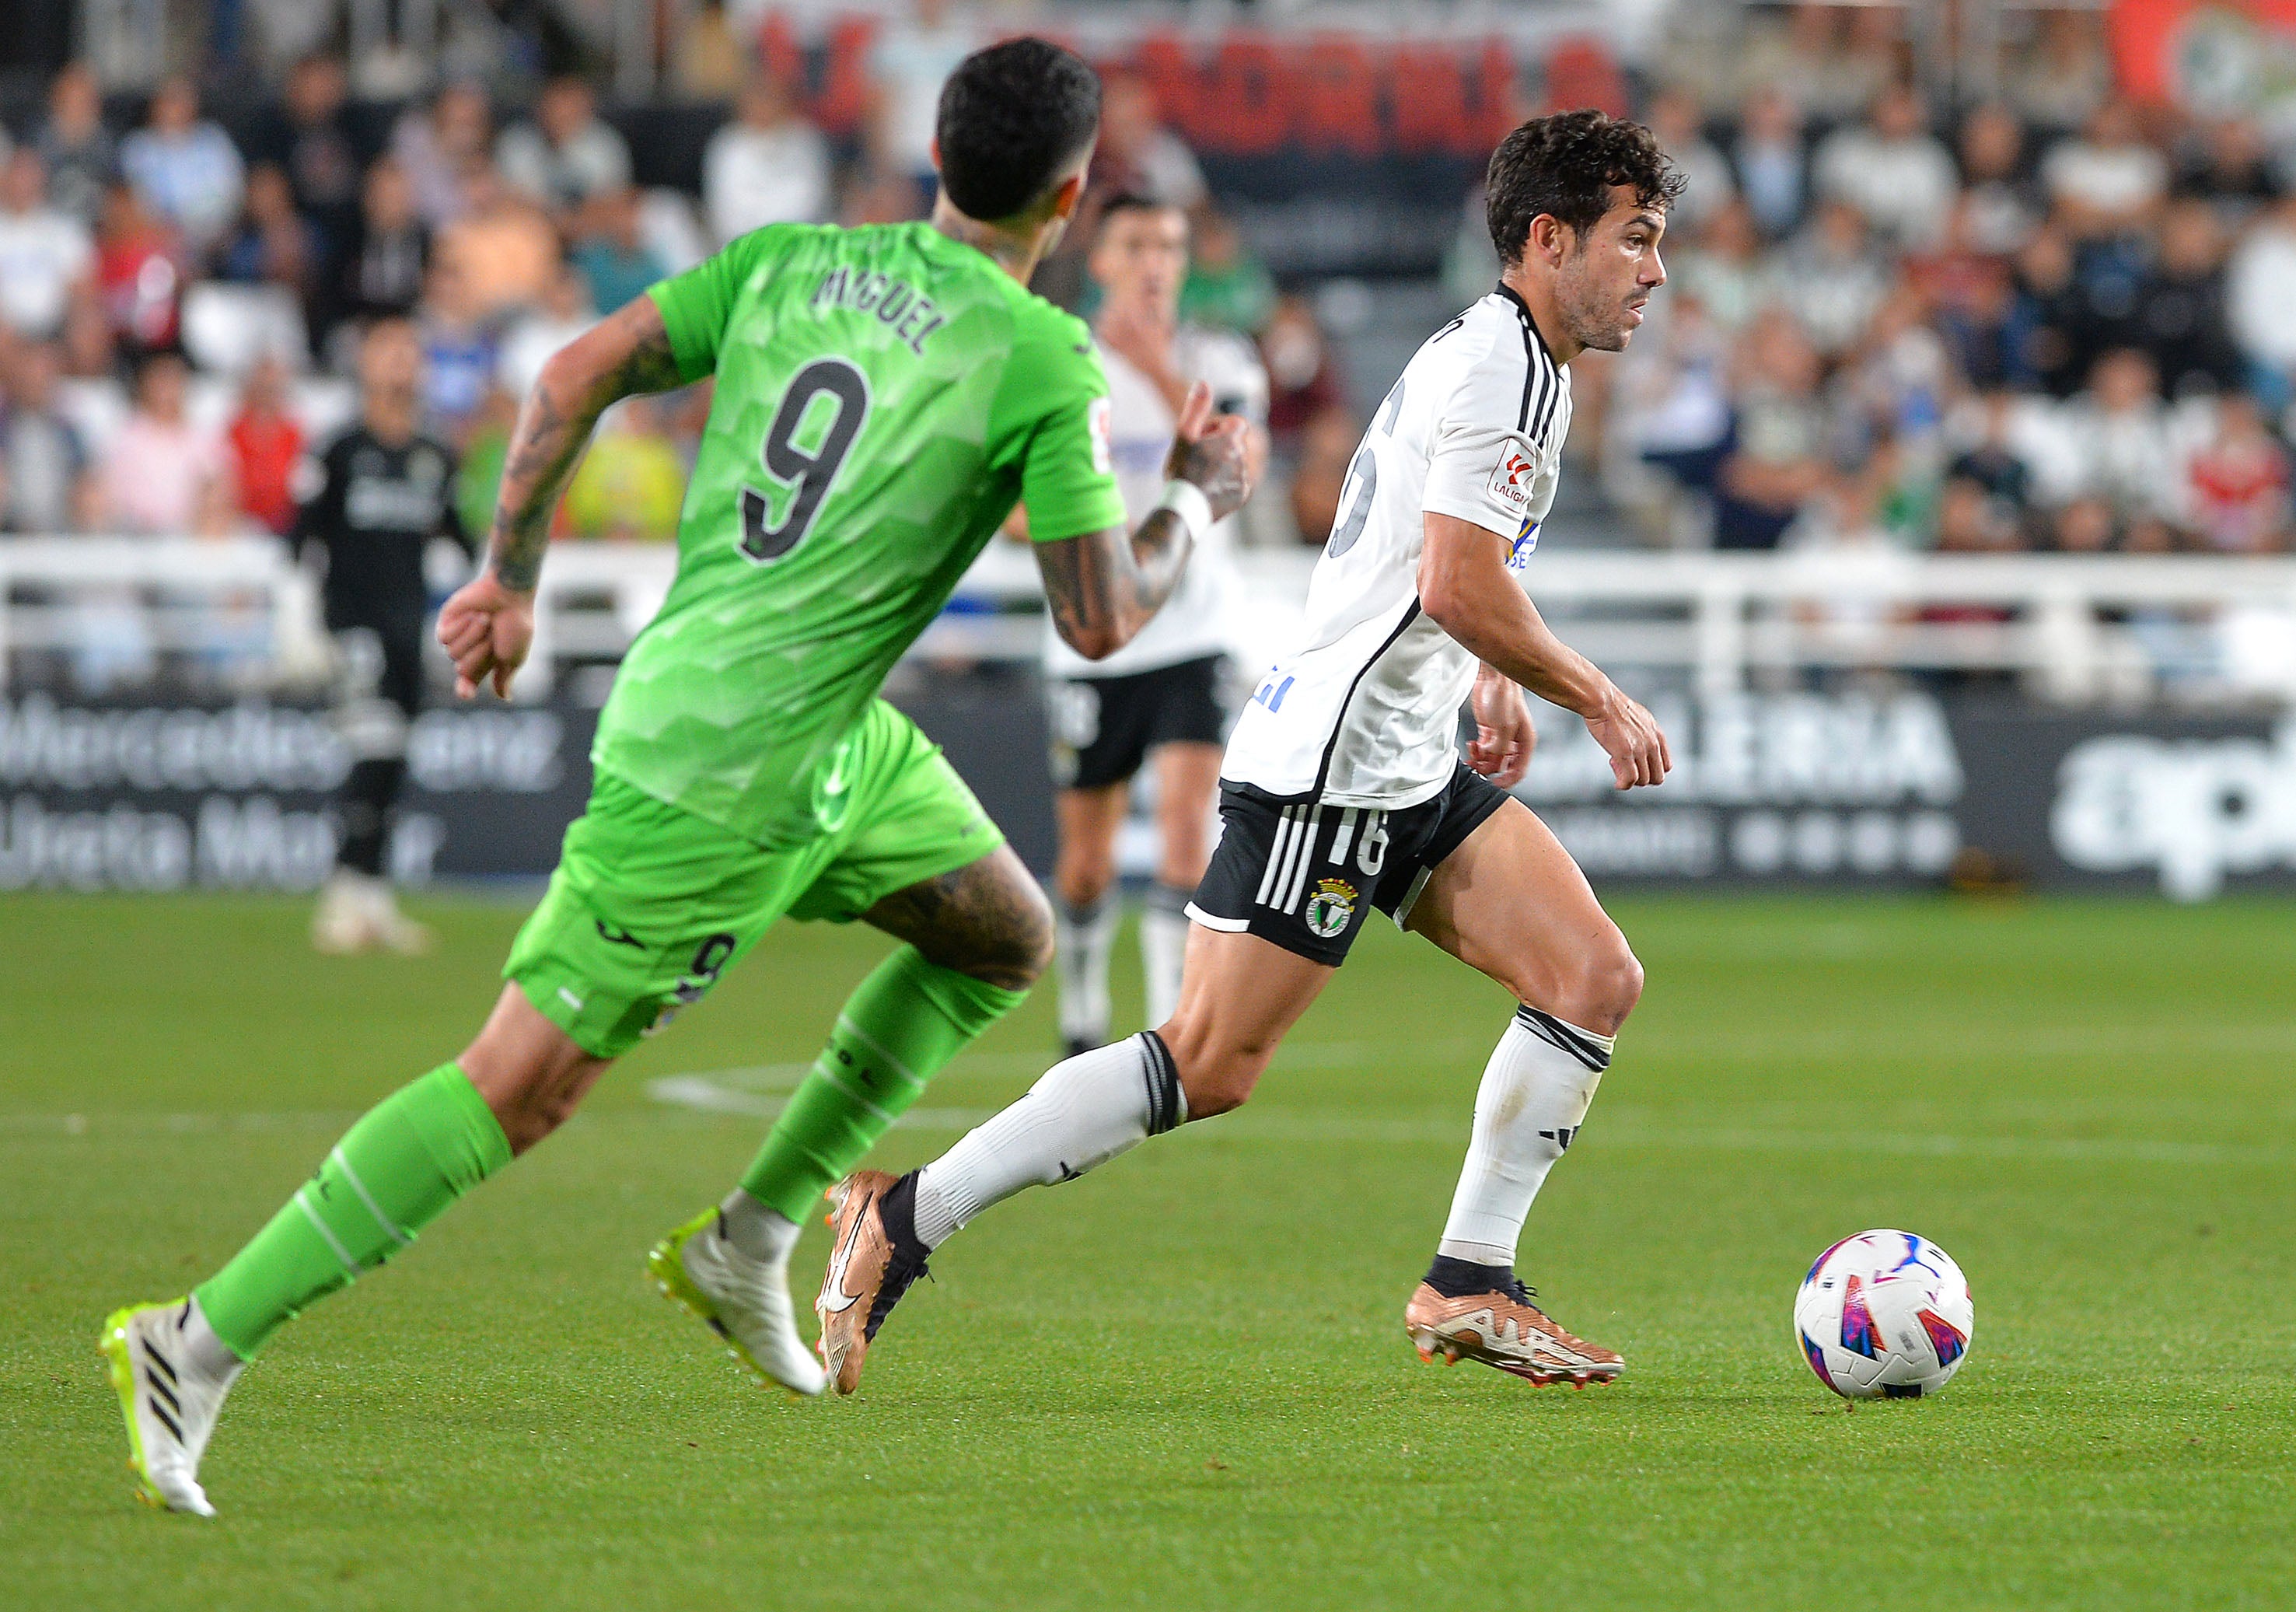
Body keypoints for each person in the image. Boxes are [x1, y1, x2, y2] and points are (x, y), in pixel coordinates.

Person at [98, 37, 1254, 1516]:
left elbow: (573, 372)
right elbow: (1098, 612)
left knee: (1003, 936)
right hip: (716, 769)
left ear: (934, 160)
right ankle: (195, 1338)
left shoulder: (786, 262)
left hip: (824, 733)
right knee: (515, 1087)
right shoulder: (1038, 355)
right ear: (1073, 196)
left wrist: (513, 575)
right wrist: (1191, 499)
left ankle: (748, 1236)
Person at [810, 109, 1678, 1397]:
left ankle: (1469, 1278)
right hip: (1331, 762)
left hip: (1394, 754)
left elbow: (1441, 568)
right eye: (1635, 239)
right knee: (1207, 1063)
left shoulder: (1506, 355)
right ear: (1549, 241)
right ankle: (902, 1219)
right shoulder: (1506, 367)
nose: (1653, 270)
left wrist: (1492, 677)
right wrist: (1591, 692)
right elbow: (1449, 580)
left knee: (1589, 975)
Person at [1034, 194, 1269, 1058]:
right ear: (1098, 261)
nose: (1154, 261)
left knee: (1184, 830)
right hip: (1092, 637)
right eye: (1134, 243)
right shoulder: (1063, 366)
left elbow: (1241, 470)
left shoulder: (1219, 359)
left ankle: (1166, 1030)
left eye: (1168, 244)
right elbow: (1015, 510)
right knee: (1086, 862)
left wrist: (1158, 372)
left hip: (1197, 630)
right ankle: (1082, 1007)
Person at [294, 318, 474, 953]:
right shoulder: (339, 449)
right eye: (387, 350)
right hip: (353, 621)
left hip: (408, 627)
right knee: (371, 752)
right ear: (365, 364)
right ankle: (342, 894)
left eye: (409, 352)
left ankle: (371, 897)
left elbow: (459, 538)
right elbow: (301, 537)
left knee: (394, 761)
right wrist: (305, 621)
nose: (400, 363)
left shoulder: (433, 454)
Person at [702, 75, 833, 245]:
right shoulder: (727, 147)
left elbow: (810, 202)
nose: (764, 107)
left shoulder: (807, 142)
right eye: (758, 99)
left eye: (771, 99)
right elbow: (726, 213)